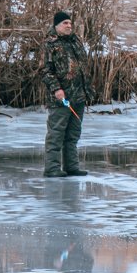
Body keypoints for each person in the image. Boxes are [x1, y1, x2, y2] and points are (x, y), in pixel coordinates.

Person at [41, 10, 92, 177]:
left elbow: (83, 67)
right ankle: (52, 169)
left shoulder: (75, 41)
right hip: (61, 98)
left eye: (70, 23)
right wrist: (56, 89)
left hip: (79, 96)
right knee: (56, 134)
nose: (69, 26)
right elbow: (45, 71)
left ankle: (71, 167)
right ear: (57, 25)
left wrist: (87, 90)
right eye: (65, 23)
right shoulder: (50, 44)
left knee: (73, 134)